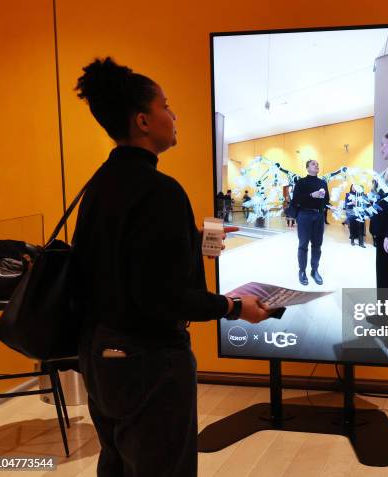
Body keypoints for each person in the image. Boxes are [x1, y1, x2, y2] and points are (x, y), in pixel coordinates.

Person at [71, 57, 270, 477]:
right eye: (166, 106)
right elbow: (161, 297)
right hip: (150, 364)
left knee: (118, 464)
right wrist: (235, 308)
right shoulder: (160, 191)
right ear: (144, 120)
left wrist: (191, 239)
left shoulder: (99, 184)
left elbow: (118, 260)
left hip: (100, 358)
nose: (174, 115)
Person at [291, 159, 329, 285]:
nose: (316, 165)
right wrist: (311, 195)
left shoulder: (323, 183)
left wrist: (330, 206)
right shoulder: (301, 182)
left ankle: (314, 270)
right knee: (303, 245)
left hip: (318, 216)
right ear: (307, 168)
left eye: (317, 164)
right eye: (313, 164)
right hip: (304, 215)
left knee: (317, 245)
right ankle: (302, 271)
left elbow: (326, 200)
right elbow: (296, 199)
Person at [370, 129, 388, 288]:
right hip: (383, 231)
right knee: (383, 275)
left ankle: (386, 313)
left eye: (383, 144)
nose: (381, 148)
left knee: (386, 277)